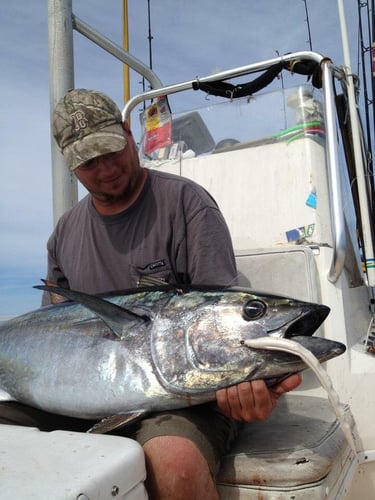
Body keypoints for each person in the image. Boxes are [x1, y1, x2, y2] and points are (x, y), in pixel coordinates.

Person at [2, 89, 301, 500]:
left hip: (180, 400)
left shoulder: (186, 204)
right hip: (77, 398)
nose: (106, 169)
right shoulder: (65, 234)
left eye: (111, 150)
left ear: (129, 133)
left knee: (173, 461)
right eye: (89, 162)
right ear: (70, 165)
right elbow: (52, 331)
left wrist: (257, 386)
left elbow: (217, 324)